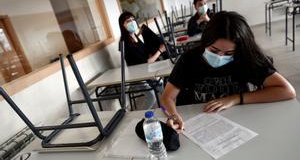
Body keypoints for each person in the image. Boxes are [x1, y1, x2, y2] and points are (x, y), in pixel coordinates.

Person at [160, 11, 296, 133]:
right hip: (197, 123)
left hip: (238, 123)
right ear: (206, 40)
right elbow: (167, 97)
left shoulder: (245, 57)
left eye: (229, 53)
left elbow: (287, 91)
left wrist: (236, 99)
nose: (220, 56)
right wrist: (173, 115)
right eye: (214, 50)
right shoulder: (189, 59)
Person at [118, 11, 166, 110]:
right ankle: (141, 117)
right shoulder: (124, 42)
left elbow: (144, 53)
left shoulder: (134, 36)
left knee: (162, 87)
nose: (132, 22)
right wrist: (160, 50)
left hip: (145, 72)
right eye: (128, 21)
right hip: (137, 76)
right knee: (151, 96)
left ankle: (165, 109)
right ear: (122, 25)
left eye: (132, 19)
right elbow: (147, 62)